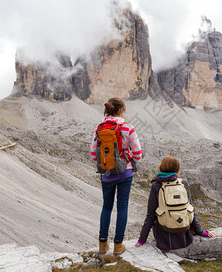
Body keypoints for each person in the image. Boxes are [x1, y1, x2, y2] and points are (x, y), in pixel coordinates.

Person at [91, 97, 142, 256]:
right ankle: (118, 245)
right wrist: (128, 160)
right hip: (125, 173)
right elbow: (138, 154)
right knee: (122, 207)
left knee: (106, 207)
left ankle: (102, 244)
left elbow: (93, 154)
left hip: (106, 174)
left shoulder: (99, 128)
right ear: (121, 110)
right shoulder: (128, 128)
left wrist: (107, 163)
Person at [135, 156, 215, 251]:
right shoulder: (183, 183)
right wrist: (201, 232)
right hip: (185, 238)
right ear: (177, 169)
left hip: (165, 240)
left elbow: (150, 215)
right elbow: (191, 209)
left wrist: (141, 240)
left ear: (161, 167)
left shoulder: (156, 186)